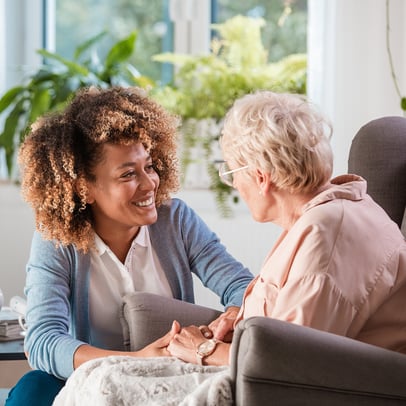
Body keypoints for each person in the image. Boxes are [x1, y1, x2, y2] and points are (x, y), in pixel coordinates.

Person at [5, 86, 253, 405]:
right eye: (128, 175)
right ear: (84, 188)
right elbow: (43, 341)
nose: (150, 183)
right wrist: (135, 359)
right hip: (88, 380)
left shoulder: (176, 220)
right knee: (32, 390)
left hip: (167, 377)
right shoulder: (56, 238)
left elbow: (241, 286)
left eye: (148, 166)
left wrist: (232, 315)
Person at [167, 90, 406, 366]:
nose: (233, 185)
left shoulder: (324, 234)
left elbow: (290, 362)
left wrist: (204, 350)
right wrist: (242, 321)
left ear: (260, 178)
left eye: (231, 173)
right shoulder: (334, 210)